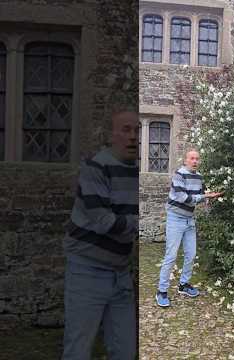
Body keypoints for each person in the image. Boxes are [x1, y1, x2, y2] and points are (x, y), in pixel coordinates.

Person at [62, 110, 139, 360]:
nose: (132, 137)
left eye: (136, 130)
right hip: (87, 271)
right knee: (78, 349)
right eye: (125, 130)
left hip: (120, 273)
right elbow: (103, 221)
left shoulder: (138, 171)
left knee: (125, 351)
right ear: (110, 135)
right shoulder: (96, 167)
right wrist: (140, 223)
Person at [156, 149, 223, 307]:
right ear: (186, 160)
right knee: (171, 256)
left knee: (191, 254)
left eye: (197, 159)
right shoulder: (179, 174)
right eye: (192, 158)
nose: (195, 161)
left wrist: (210, 197)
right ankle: (161, 291)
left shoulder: (199, 177)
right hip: (175, 219)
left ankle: (183, 285)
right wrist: (205, 197)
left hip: (189, 220)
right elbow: (183, 198)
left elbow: (202, 193)